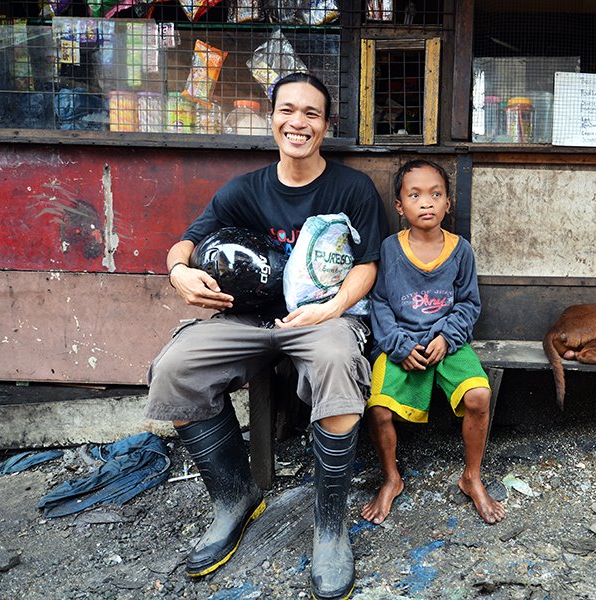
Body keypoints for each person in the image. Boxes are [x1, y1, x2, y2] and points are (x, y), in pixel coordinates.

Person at [145, 73, 388, 600]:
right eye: (287, 110)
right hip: (249, 319)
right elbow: (186, 243)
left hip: (325, 319)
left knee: (338, 363)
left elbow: (367, 264)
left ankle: (330, 527)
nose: (298, 123)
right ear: (272, 117)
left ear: (326, 125)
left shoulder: (352, 188)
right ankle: (234, 499)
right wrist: (178, 272)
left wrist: (331, 308)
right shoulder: (245, 190)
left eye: (311, 113)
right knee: (175, 368)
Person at [360, 159, 506, 526]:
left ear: (447, 203)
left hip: (448, 343)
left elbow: (469, 304)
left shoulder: (461, 250)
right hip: (401, 345)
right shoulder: (390, 249)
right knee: (378, 409)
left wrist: (447, 337)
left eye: (436, 194)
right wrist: (397, 345)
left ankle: (471, 477)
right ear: (399, 206)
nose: (426, 202)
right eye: (415, 195)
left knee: (479, 395)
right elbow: (380, 303)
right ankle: (391, 478)